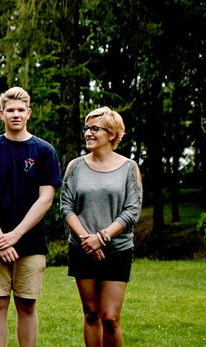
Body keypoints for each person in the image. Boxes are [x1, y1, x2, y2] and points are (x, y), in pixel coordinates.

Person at [0, 86, 62, 347]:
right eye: (10, 110)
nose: (15, 114)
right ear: (1, 114)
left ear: (29, 113)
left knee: (27, 304)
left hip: (30, 241)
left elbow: (45, 199)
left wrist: (16, 235)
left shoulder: (44, 151)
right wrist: (1, 238)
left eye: (20, 110)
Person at [60, 108, 142, 347]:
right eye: (87, 128)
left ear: (112, 134)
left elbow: (132, 210)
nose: (88, 133)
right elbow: (66, 207)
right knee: (91, 314)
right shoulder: (75, 167)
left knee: (110, 318)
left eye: (95, 129)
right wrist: (88, 239)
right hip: (82, 248)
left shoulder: (129, 168)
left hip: (117, 249)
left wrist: (102, 237)